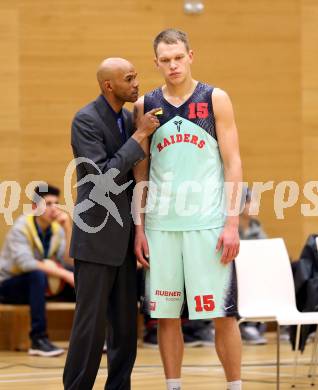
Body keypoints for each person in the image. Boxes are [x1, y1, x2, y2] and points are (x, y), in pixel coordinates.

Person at [134, 29, 243, 390]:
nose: (173, 65)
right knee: (166, 317)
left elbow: (233, 163)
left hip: (209, 225)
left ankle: (235, 386)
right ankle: (173, 386)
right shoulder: (146, 105)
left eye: (178, 57)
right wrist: (139, 228)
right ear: (156, 63)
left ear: (190, 55)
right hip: (161, 227)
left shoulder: (215, 99)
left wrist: (232, 223)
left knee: (224, 316)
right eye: (165, 60)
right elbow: (141, 173)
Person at [63, 58, 160, 390]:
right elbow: (103, 179)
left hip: (124, 239)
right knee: (89, 327)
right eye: (129, 79)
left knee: (124, 329)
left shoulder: (125, 118)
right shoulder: (85, 120)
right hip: (95, 239)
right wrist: (140, 136)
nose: (136, 83)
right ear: (109, 86)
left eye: (136, 77)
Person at [0, 184, 74, 357]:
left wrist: (68, 228)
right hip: (9, 286)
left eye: (56, 203)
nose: (53, 208)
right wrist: (65, 274)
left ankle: (95, 338)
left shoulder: (56, 229)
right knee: (38, 275)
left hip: (40, 287)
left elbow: (69, 261)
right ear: (35, 207)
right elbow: (26, 264)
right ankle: (38, 339)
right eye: (48, 204)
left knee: (81, 277)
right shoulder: (21, 228)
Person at [239, 187, 268, 345]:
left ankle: (254, 324)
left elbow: (266, 253)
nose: (254, 206)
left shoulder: (257, 228)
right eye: (249, 202)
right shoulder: (229, 228)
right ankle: (247, 325)